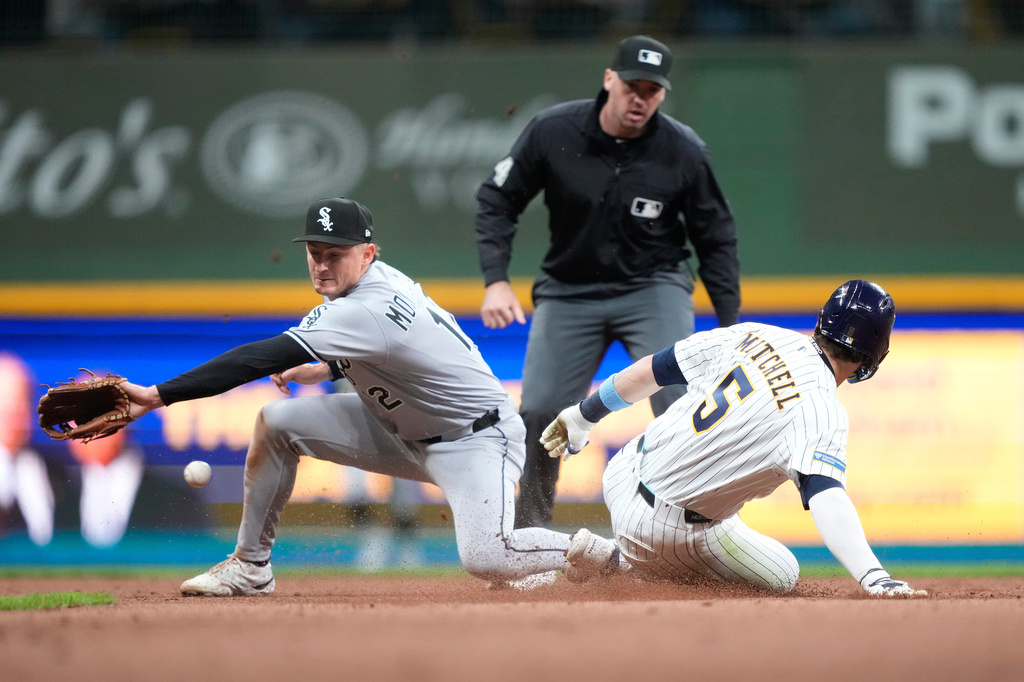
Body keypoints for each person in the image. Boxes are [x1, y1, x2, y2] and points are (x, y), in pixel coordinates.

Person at [119, 196, 575, 596]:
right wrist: (328, 366)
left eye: (335, 255)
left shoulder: (365, 307)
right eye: (315, 253)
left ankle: (610, 554)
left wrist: (158, 395)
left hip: (474, 441)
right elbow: (401, 353)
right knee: (278, 424)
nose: (321, 266)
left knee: (488, 558)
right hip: (400, 426)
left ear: (367, 253)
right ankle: (250, 566)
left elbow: (257, 358)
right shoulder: (377, 283)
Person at [475, 34, 740, 529]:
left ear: (662, 94)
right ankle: (530, 538)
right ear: (609, 80)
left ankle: (698, 531)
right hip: (569, 291)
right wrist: (496, 280)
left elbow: (717, 239)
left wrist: (728, 326)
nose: (640, 98)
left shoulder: (682, 151)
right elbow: (497, 200)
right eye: (632, 86)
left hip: (653, 286)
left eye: (652, 90)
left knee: (681, 404)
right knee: (540, 412)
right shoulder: (553, 131)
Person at [542, 280, 927, 598]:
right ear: (875, 353)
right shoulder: (821, 410)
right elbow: (826, 497)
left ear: (823, 320)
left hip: (624, 471)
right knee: (782, 573)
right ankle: (617, 561)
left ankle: (620, 552)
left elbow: (655, 370)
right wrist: (873, 576)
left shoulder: (756, 333)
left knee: (722, 508)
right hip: (662, 533)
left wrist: (583, 413)